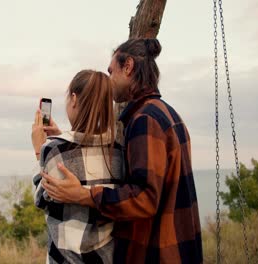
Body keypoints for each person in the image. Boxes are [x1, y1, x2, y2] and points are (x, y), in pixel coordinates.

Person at [40, 39, 203, 263]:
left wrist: (86, 195)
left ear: (128, 66)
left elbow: (145, 197)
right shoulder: (168, 114)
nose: (107, 80)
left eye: (111, 71)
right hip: (179, 246)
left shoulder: (144, 120)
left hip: (156, 253)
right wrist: (66, 141)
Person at [31, 70, 124, 263]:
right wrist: (62, 136)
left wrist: (40, 151)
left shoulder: (53, 149)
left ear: (74, 99)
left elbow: (41, 199)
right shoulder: (119, 151)